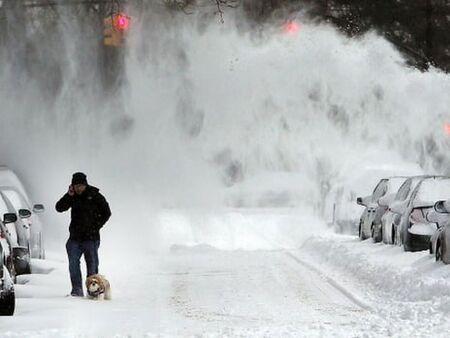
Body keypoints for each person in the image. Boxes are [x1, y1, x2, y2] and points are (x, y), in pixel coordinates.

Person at [55, 172, 111, 297]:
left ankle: (94, 291)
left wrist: (97, 226)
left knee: (92, 266)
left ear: (85, 185)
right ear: (72, 186)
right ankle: (77, 290)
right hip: (74, 238)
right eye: (76, 186)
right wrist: (68, 196)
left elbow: (107, 212)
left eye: (81, 186)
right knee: (73, 264)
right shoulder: (72, 196)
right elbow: (59, 208)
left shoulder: (95, 195)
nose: (79, 188)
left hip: (91, 238)